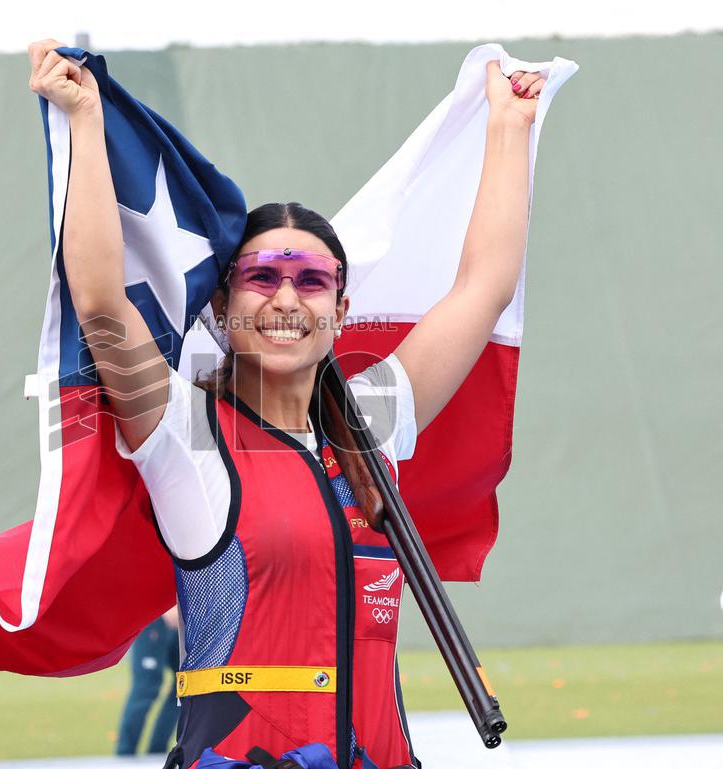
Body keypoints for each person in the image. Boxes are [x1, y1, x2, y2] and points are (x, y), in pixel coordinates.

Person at [28, 38, 542, 769]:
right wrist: (83, 121)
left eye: (311, 279)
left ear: (340, 307)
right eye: (261, 276)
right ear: (226, 306)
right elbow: (102, 304)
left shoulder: (376, 418)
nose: (285, 298)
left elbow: (483, 286)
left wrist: (508, 127)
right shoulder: (182, 431)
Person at [116, 606, 182, 756]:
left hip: (181, 623)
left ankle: (157, 752)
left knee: (184, 686)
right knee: (146, 689)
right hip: (154, 618)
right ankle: (125, 754)